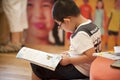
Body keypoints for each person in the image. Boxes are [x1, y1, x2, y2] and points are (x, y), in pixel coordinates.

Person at [30, 0, 101, 79]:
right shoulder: (91, 25)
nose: (60, 28)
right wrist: (70, 53)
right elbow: (85, 49)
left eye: (60, 25)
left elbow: (91, 56)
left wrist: (69, 60)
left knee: (37, 66)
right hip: (87, 67)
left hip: (81, 70)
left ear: (67, 21)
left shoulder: (80, 34)